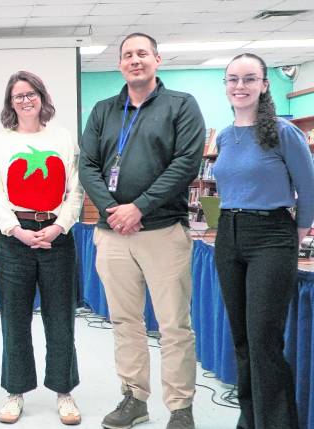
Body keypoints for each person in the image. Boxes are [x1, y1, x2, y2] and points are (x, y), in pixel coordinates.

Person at [78, 33, 205, 429]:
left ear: (157, 60)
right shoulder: (103, 110)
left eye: (142, 54)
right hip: (113, 233)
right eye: (128, 55)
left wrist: (140, 207)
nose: (135, 60)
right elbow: (88, 166)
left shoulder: (180, 106)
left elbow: (186, 163)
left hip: (163, 231)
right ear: (120, 64)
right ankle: (134, 398)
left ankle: (180, 407)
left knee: (173, 325)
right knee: (125, 322)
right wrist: (114, 209)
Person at [213, 53, 314, 429]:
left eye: (249, 79)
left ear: (264, 85)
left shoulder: (284, 132)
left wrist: (296, 232)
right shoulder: (224, 136)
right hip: (228, 234)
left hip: (271, 237)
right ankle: (249, 420)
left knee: (264, 342)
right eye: (233, 79)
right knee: (241, 340)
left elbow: (308, 187)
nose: (240, 86)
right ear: (225, 85)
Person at [0, 70, 84, 425]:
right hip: (16, 239)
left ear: (41, 97)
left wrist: (59, 227)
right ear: (10, 103)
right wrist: (15, 230)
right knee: (14, 319)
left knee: (61, 318)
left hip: (57, 237)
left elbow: (75, 190)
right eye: (18, 96)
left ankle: (64, 391)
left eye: (31, 94)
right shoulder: (0, 143)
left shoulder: (61, 137)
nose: (25, 100)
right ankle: (15, 391)